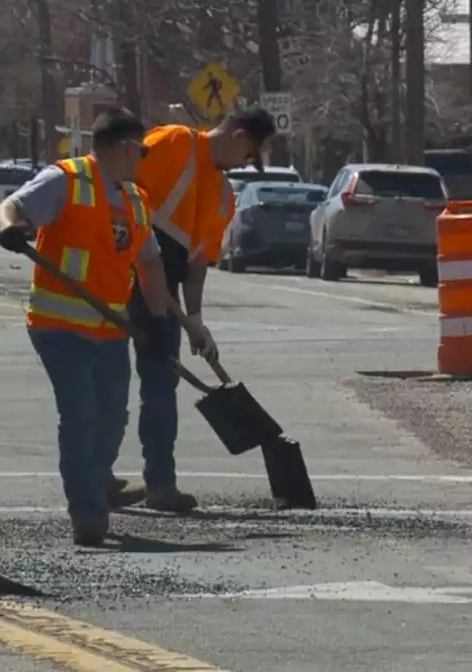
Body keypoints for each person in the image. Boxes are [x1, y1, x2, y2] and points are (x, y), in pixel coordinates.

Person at [0, 109, 176, 547]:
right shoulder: (67, 180)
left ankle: (95, 485)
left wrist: (161, 324)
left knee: (112, 419)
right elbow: (10, 206)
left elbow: (149, 263)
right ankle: (88, 512)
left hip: (111, 329)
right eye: (142, 151)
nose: (143, 159)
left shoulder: (134, 199)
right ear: (128, 147)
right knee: (81, 416)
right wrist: (9, 228)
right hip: (60, 327)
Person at [111, 107, 277, 513]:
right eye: (249, 154)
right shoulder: (174, 142)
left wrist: (196, 321)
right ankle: (96, 478)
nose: (245, 163)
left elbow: (197, 262)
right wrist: (138, 259)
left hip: (161, 292)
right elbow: (115, 191)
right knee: (107, 386)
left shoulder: (222, 194)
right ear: (238, 137)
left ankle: (161, 485)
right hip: (114, 278)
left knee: (159, 388)